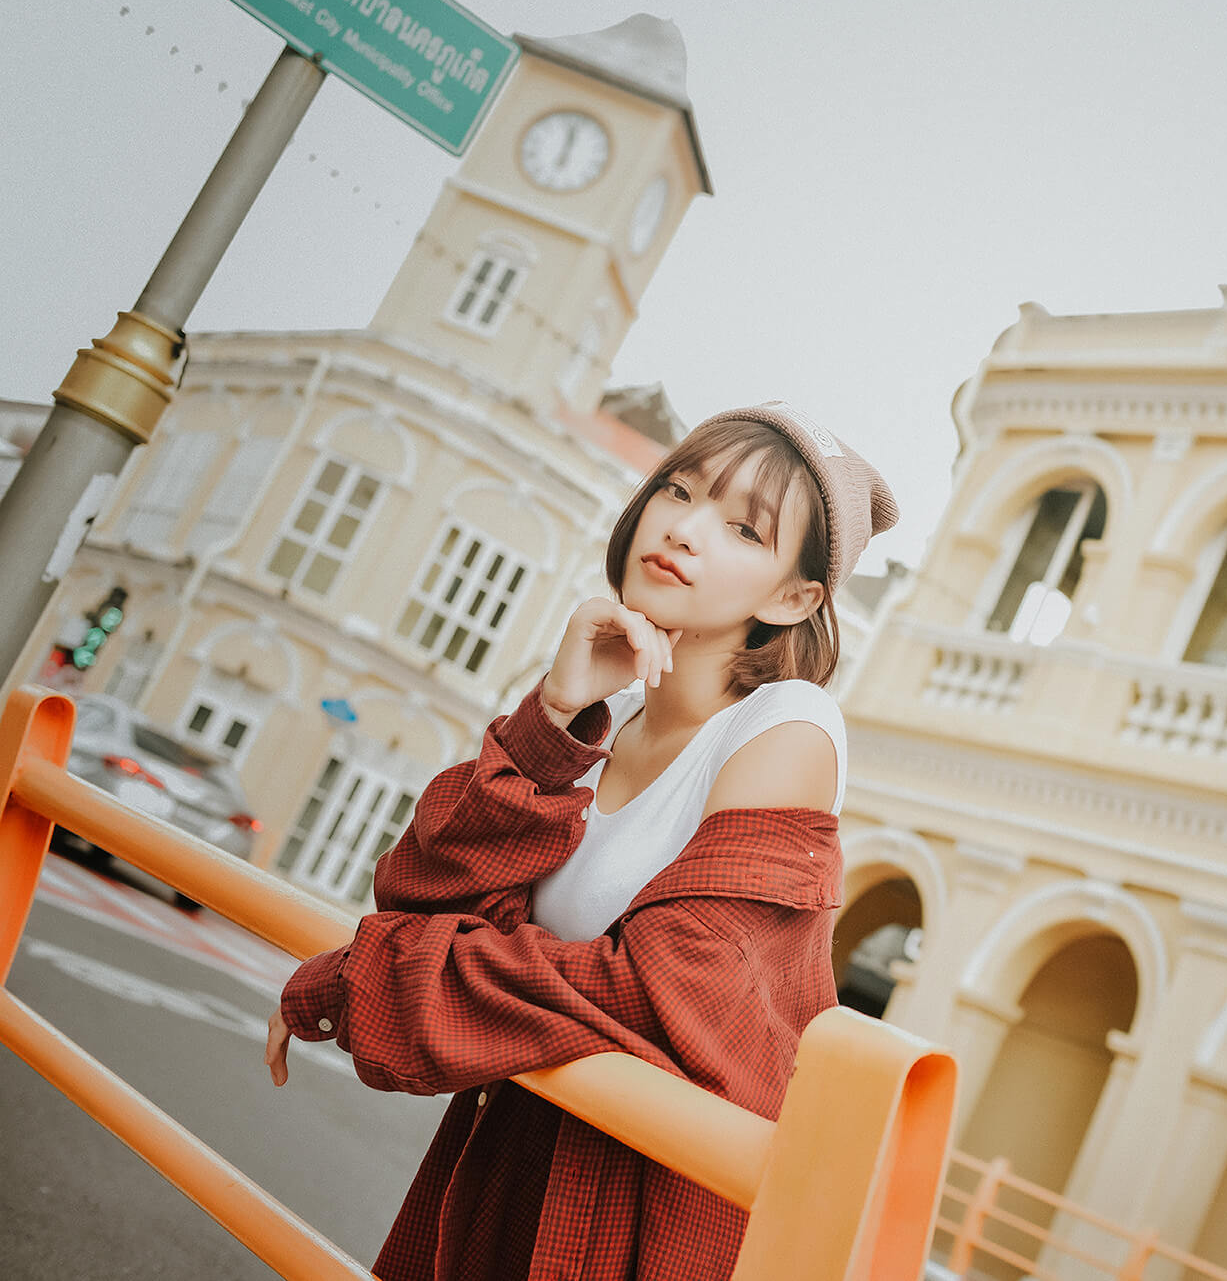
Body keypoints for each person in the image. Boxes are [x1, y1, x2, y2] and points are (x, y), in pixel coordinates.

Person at [262, 402, 898, 1281]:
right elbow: (423, 890)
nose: (683, 528)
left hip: (659, 1201)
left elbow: (659, 993)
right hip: (518, 1141)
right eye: (677, 490)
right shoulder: (616, 716)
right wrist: (555, 718)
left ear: (793, 598)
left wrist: (370, 975)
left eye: (744, 529)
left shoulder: (787, 730)